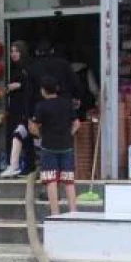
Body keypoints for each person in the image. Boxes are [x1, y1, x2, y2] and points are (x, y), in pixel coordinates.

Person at [30, 75, 80, 216]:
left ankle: (55, 212)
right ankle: (73, 211)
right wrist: (68, 134)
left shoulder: (41, 106)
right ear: (56, 89)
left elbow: (33, 126)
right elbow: (76, 124)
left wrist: (40, 135)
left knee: (51, 180)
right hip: (66, 146)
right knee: (68, 180)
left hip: (48, 147)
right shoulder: (66, 103)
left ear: (43, 91)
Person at [0, 41, 35, 178]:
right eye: (12, 51)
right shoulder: (16, 68)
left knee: (20, 135)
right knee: (24, 137)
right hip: (16, 108)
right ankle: (26, 166)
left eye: (16, 51)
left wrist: (18, 85)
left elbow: (30, 86)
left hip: (23, 109)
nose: (13, 54)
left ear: (22, 52)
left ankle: (18, 165)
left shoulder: (26, 68)